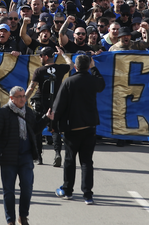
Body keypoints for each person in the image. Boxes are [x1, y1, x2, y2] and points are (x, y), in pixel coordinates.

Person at [49, 54, 105, 205]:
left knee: (70, 159)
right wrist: (94, 68)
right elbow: (101, 84)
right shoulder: (93, 80)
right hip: (90, 127)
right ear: (88, 66)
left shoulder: (69, 81)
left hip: (72, 127)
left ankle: (67, 190)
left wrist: (53, 125)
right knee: (87, 161)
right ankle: (88, 194)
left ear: (75, 67)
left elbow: (58, 106)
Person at [0, 86, 39, 225]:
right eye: (19, 97)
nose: (23, 99)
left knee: (27, 188)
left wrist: (47, 119)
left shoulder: (28, 112)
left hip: (26, 157)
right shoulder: (3, 113)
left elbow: (34, 130)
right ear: (11, 98)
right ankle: (10, 220)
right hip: (8, 159)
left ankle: (23, 216)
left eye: (24, 96)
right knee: (9, 191)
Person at [25, 47, 72, 167]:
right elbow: (71, 65)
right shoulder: (60, 68)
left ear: (45, 57)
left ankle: (38, 156)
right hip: (55, 102)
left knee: (38, 128)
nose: (40, 57)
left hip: (40, 101)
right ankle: (57, 154)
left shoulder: (39, 71)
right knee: (55, 128)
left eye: (41, 56)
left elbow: (31, 87)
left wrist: (23, 99)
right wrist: (63, 54)